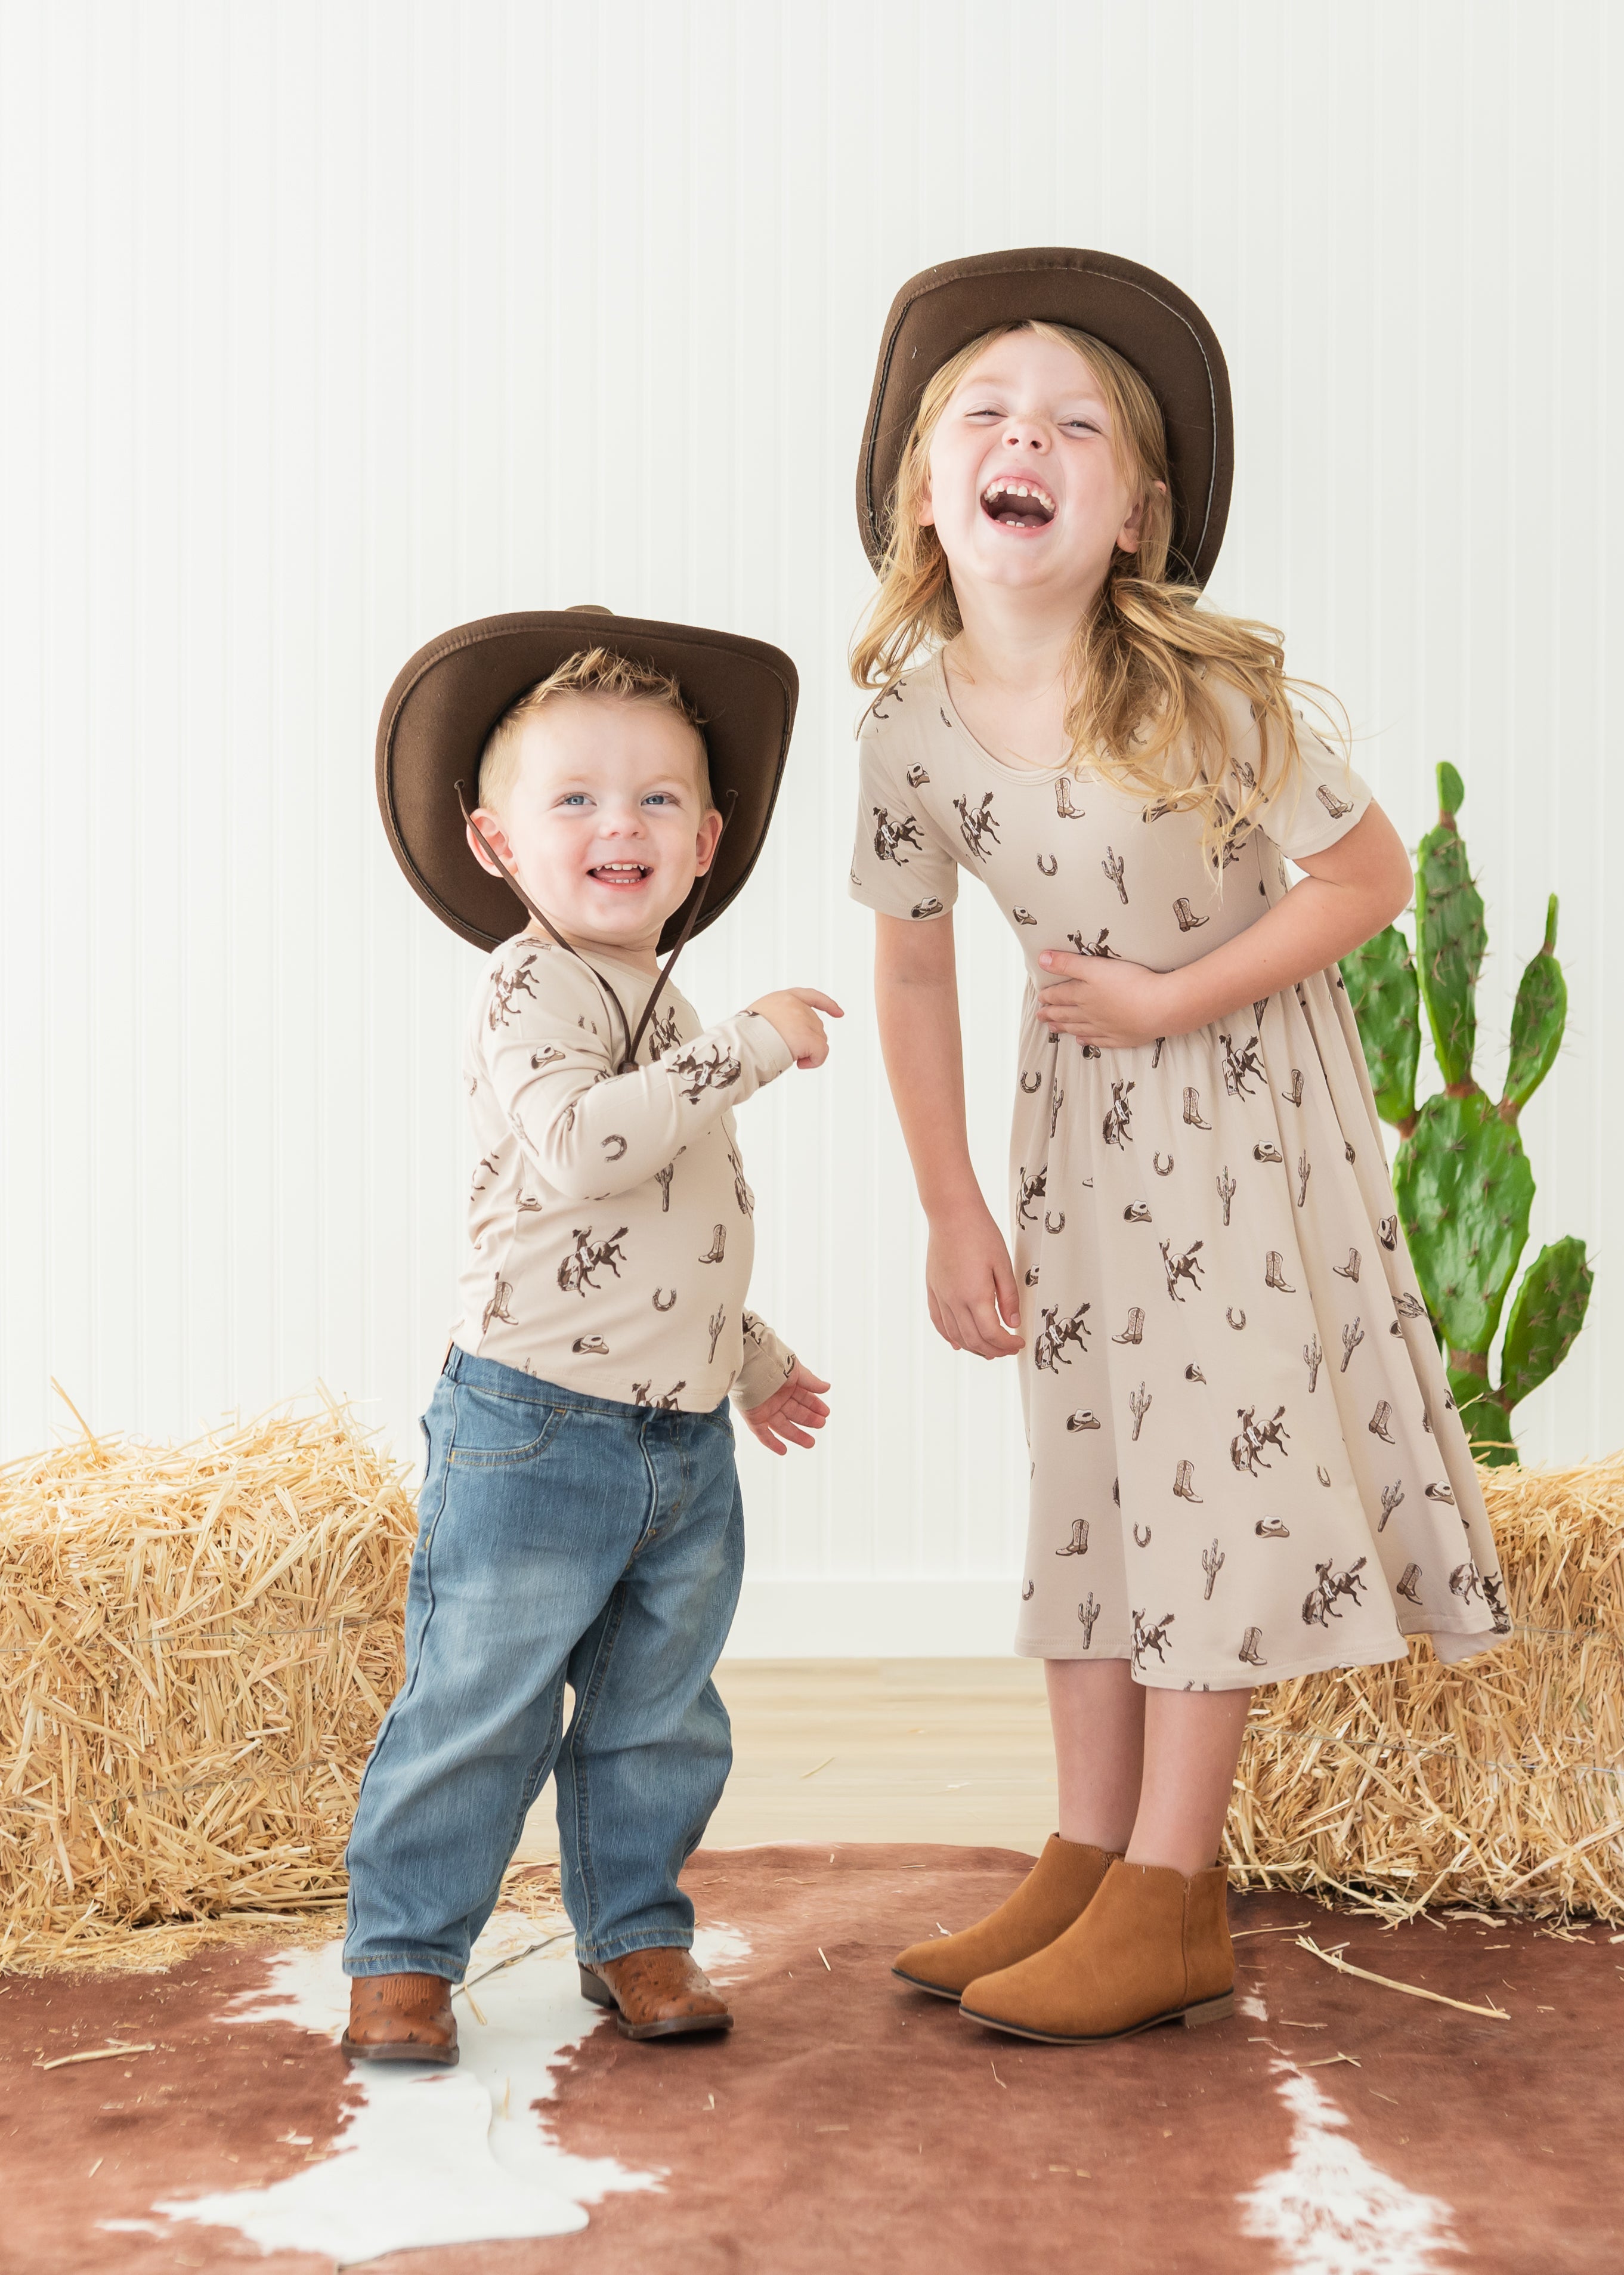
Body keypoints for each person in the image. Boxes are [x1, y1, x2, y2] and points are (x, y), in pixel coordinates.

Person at [847, 250, 1512, 2045]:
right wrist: (948, 1204)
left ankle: (1171, 1884)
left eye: (1075, 426)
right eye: (987, 417)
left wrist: (1167, 999)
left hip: (1235, 1109)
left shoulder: (1201, 692)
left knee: (1213, 1480)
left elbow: (1364, 882)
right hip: (1075, 1128)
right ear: (927, 488)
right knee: (1090, 1468)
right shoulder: (906, 727)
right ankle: (1086, 1851)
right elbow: (909, 966)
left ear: (1133, 513)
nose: (1025, 440)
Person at [345, 608, 838, 2061]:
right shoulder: (527, 985)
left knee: (658, 1711)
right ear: (496, 841)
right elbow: (580, 1150)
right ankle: (404, 1951)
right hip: (532, 1425)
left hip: (679, 1444)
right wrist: (749, 1045)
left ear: (705, 842)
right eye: (574, 797)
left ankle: (635, 1930)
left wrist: (752, 1359)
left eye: (656, 797)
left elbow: (667, 1233)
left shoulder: (667, 1002)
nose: (619, 824)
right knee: (480, 1698)